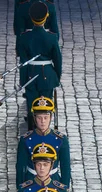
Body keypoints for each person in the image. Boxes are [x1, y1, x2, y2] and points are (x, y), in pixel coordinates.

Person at [17, 1, 61, 129]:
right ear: (46, 17)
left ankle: (32, 127)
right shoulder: (52, 37)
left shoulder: (25, 37)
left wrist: (23, 79)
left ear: (31, 18)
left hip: (31, 73)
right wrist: (56, 76)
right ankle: (45, 127)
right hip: (47, 73)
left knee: (32, 104)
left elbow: (23, 62)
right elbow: (57, 60)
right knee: (46, 102)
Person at [15, 96, 70, 187]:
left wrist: (65, 187)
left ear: (51, 117)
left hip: (53, 181)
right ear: (34, 118)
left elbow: (65, 167)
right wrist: (20, 187)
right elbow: (20, 166)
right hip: (31, 181)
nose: (42, 121)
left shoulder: (61, 140)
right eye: (39, 118)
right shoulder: (26, 139)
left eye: (45, 117)